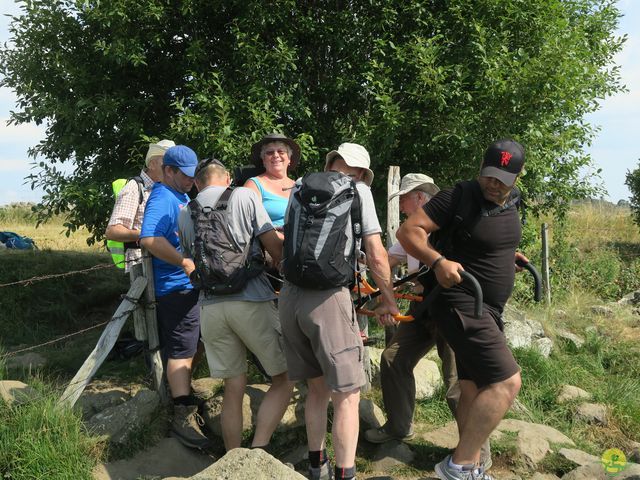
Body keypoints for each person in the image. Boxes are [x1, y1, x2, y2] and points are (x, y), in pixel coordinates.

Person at [396, 139, 527, 480]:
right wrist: (437, 261)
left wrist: (505, 258)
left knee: (471, 386)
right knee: (506, 382)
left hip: (488, 306)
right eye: (488, 175)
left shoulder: (512, 201)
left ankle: (471, 467)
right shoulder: (459, 195)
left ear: (517, 176)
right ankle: (457, 466)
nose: (493, 183)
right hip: (462, 302)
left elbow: (484, 239)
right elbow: (409, 231)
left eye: (502, 177)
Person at [279, 143, 400, 480]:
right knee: (347, 394)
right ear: (360, 172)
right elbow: (376, 253)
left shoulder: (299, 186)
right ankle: (346, 475)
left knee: (316, 389)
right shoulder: (358, 190)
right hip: (328, 300)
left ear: (330, 162)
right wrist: (387, 299)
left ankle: (317, 465)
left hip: (289, 297)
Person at [364, 172, 493, 468]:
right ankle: (399, 426)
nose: (402, 208)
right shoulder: (413, 230)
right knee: (393, 358)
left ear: (420, 197)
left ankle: (477, 456)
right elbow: (387, 258)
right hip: (424, 310)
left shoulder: (451, 223)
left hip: (453, 308)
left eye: (405, 200)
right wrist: (362, 256)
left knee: (459, 383)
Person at [178, 157, 294, 452]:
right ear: (227, 177)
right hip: (251, 299)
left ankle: (233, 457)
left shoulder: (185, 211)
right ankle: (258, 450)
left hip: (210, 307)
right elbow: (273, 245)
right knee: (283, 378)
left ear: (197, 182)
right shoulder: (244, 195)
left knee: (233, 386)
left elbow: (192, 257)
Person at [139, 145, 210, 450]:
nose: (191, 182)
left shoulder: (179, 196)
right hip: (175, 288)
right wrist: (183, 261)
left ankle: (186, 399)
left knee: (191, 344)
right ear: (168, 171)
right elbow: (149, 238)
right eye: (185, 176)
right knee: (181, 349)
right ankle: (182, 414)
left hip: (189, 286)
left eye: (194, 176)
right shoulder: (162, 196)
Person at [105, 139, 174, 272]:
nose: (170, 169)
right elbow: (113, 231)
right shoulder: (134, 188)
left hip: (162, 265)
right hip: (141, 267)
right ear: (152, 164)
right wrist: (148, 235)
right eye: (166, 163)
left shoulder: (164, 190)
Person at [243, 133, 300, 231]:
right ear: (263, 160)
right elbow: (246, 224)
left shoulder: (299, 185)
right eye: (269, 152)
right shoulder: (254, 184)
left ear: (289, 158)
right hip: (270, 243)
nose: (276, 155)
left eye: (281, 151)